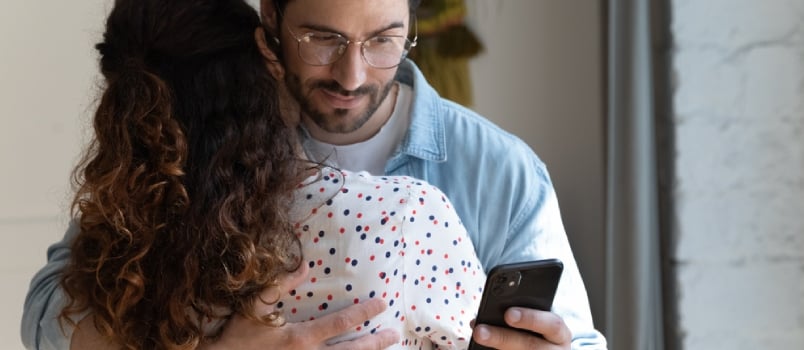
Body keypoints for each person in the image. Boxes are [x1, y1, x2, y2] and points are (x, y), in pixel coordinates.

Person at [22, 0, 606, 349]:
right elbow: (47, 314)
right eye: (321, 38)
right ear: (270, 21)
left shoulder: (501, 172)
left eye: (383, 40)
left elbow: (579, 341)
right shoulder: (200, 144)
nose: (352, 75)